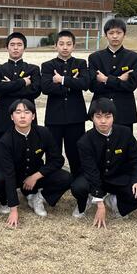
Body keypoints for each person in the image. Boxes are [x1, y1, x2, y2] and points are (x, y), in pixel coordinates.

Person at [0, 99, 72, 227]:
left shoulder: (43, 132)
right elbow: (9, 173)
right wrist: (13, 210)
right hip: (15, 177)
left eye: (27, 112)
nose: (22, 116)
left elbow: (57, 159)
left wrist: (36, 176)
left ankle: (38, 198)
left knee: (66, 177)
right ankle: (5, 201)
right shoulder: (5, 140)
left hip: (36, 174)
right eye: (18, 112)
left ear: (33, 116)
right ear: (12, 117)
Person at [71, 98, 137, 228]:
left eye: (108, 116)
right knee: (78, 187)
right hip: (94, 178)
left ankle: (115, 200)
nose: (103, 121)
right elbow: (91, 171)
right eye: (98, 116)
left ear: (114, 117)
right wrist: (99, 202)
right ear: (92, 118)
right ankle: (89, 198)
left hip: (118, 178)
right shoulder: (84, 141)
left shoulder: (125, 133)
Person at [40, 30, 89, 176]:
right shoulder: (48, 65)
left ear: (74, 46)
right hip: (54, 117)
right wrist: (72, 83)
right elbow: (46, 88)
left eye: (68, 44)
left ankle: (78, 182)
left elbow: (85, 84)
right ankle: (53, 183)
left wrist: (62, 80)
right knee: (53, 153)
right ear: (56, 45)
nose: (65, 47)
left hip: (76, 117)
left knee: (76, 153)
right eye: (61, 44)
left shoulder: (81, 63)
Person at [88, 18, 137, 129]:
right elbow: (93, 86)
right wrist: (119, 80)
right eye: (111, 33)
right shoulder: (95, 57)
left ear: (124, 34)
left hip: (124, 110)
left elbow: (131, 86)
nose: (115, 36)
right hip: (100, 111)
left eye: (118, 33)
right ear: (106, 35)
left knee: (125, 139)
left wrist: (106, 79)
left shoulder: (134, 57)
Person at [0, 32, 41, 143]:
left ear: (24, 48)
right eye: (12, 44)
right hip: (4, 119)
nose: (16, 48)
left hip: (27, 119)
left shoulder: (33, 69)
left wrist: (8, 87)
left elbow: (35, 91)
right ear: (7, 47)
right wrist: (23, 82)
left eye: (19, 44)